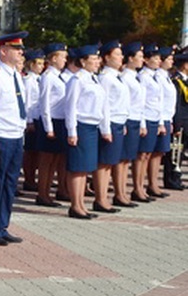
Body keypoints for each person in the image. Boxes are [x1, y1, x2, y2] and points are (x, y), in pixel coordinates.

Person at [0, 32, 29, 244]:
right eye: (16, 49)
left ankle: (2, 225)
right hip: (1, 135)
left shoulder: (16, 76)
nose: (21, 52)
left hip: (15, 135)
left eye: (21, 49)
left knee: (9, 184)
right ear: (3, 51)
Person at [63, 44, 110, 219]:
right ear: (83, 62)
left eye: (98, 59)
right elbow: (71, 107)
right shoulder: (77, 80)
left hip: (92, 127)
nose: (98, 62)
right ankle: (75, 206)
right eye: (94, 59)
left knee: (85, 168)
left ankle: (81, 204)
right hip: (81, 126)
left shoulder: (93, 79)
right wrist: (72, 131)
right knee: (77, 168)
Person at [94, 41, 128, 212]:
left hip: (118, 122)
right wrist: (106, 128)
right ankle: (100, 199)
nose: (121, 57)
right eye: (117, 54)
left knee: (110, 163)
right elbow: (104, 105)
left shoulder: (116, 76)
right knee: (104, 163)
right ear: (107, 57)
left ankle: (104, 198)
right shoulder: (106, 78)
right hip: (110, 122)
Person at [35, 43, 68, 208]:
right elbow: (45, 103)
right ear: (54, 58)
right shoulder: (48, 76)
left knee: (55, 160)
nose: (65, 60)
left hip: (60, 120)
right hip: (51, 121)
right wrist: (48, 127)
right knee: (47, 161)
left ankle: (48, 192)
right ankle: (42, 194)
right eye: (62, 56)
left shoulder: (59, 76)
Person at [134, 44, 164, 203]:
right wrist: (143, 123)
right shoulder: (144, 77)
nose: (159, 61)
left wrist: (160, 121)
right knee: (141, 155)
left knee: (147, 154)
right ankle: (137, 187)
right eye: (155, 58)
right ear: (146, 60)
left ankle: (143, 186)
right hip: (145, 117)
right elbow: (142, 102)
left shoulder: (155, 76)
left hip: (154, 117)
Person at [119, 42, 146, 206]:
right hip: (127, 119)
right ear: (130, 58)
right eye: (140, 56)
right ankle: (120, 193)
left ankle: (125, 193)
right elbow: (125, 103)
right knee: (122, 159)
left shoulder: (135, 77)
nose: (142, 60)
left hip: (136, 119)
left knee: (128, 158)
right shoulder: (125, 78)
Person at [148, 46, 175, 198]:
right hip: (158, 117)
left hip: (164, 117)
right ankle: (151, 184)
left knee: (159, 153)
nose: (171, 61)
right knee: (152, 153)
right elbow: (158, 100)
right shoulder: (157, 76)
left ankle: (154, 184)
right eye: (168, 59)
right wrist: (161, 122)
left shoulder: (165, 76)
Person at [21, 49, 45, 191]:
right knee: (30, 152)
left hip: (38, 117)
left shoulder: (38, 79)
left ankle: (32, 178)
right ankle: (29, 179)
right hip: (32, 119)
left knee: (35, 152)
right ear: (31, 64)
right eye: (39, 63)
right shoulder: (29, 81)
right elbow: (28, 102)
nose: (41, 66)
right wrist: (29, 121)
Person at [165, 52, 188, 190]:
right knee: (174, 151)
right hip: (180, 120)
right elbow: (177, 105)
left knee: (181, 151)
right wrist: (177, 123)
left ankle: (177, 178)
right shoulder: (176, 81)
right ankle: (171, 178)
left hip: (186, 121)